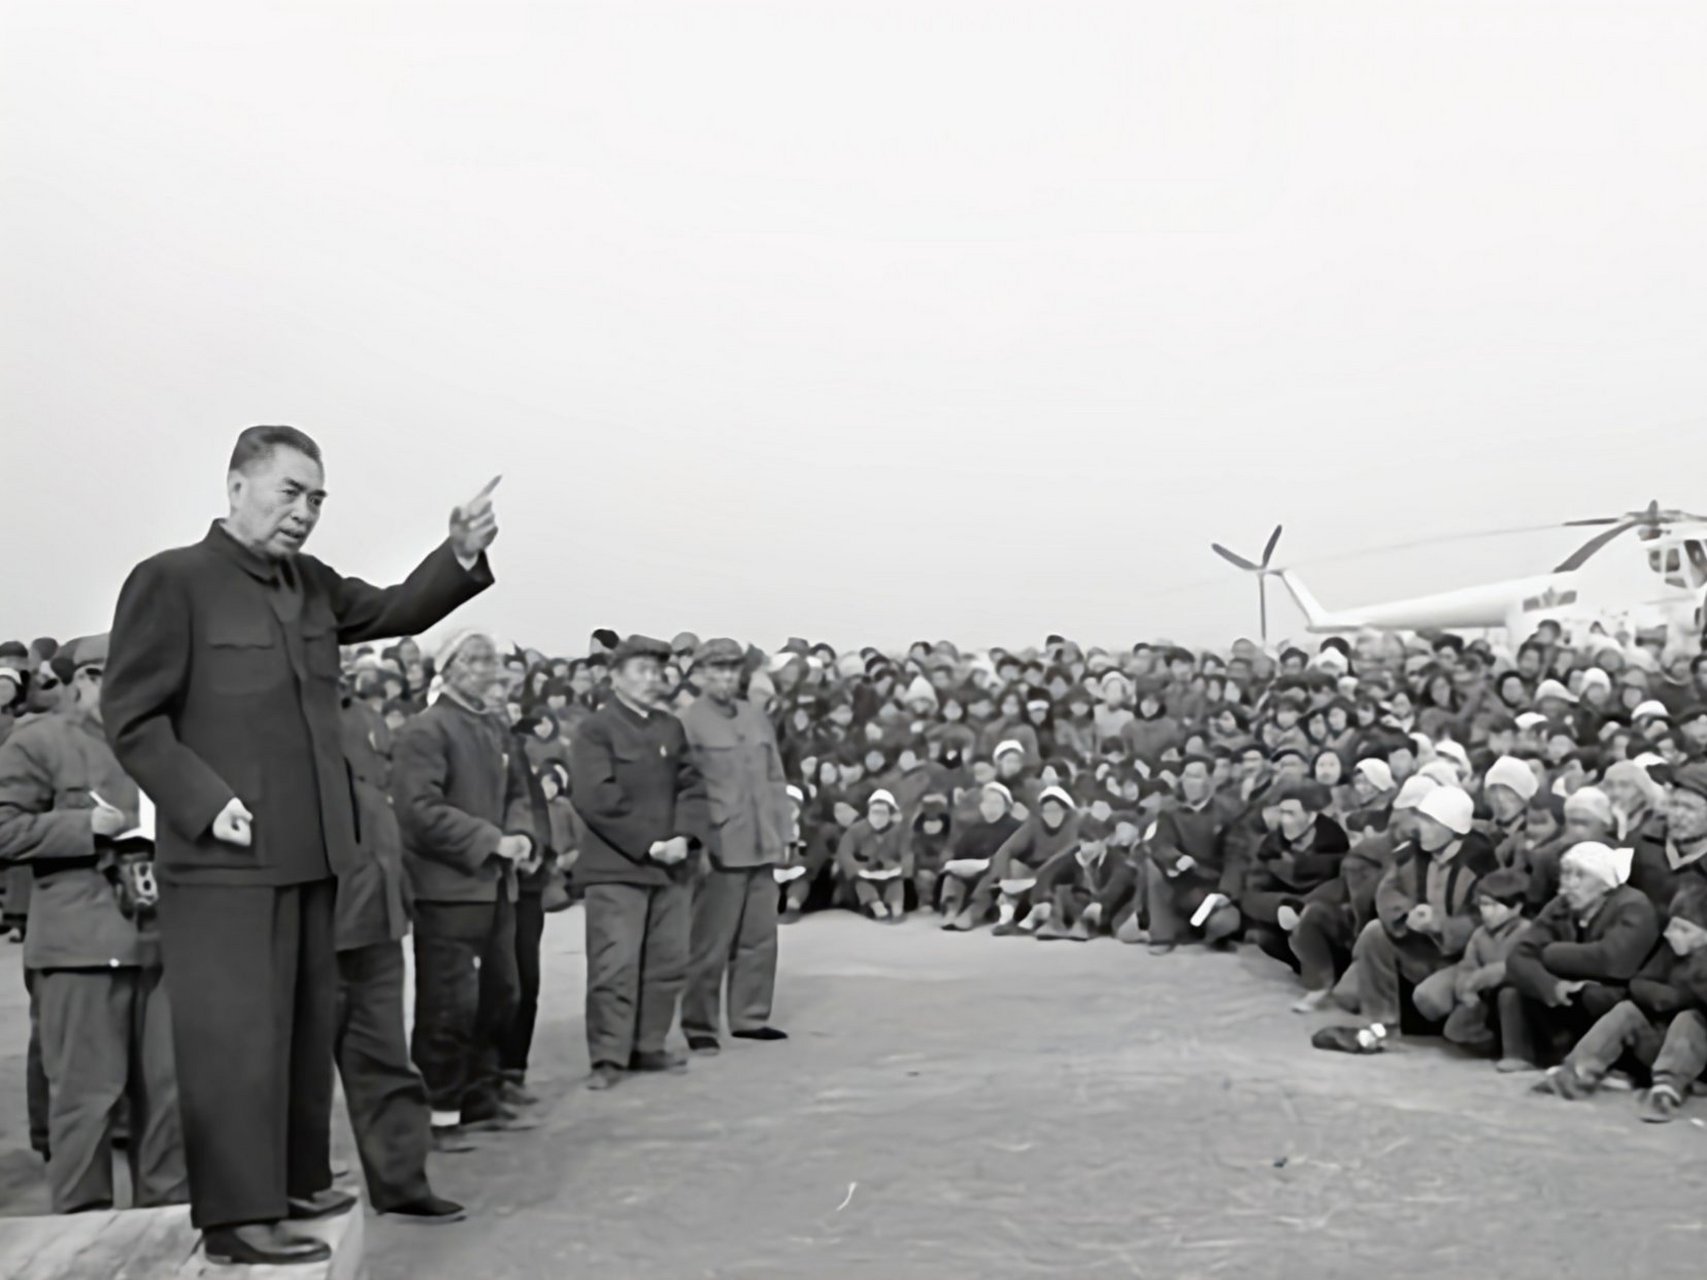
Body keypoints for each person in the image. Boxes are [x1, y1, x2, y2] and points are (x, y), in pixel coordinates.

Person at [102, 426, 497, 1265]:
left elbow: (393, 607)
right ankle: (239, 1218)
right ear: (237, 485)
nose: (305, 513)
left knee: (297, 1034)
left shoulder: (308, 586)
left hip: (312, 856)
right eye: (290, 492)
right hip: (222, 863)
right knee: (234, 1041)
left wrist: (456, 555)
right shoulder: (172, 581)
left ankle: (288, 1183)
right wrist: (204, 803)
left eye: (317, 498)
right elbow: (134, 719)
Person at [0, 634, 187, 1214]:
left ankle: (166, 1226)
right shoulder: (39, 742)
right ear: (87, 678)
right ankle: (80, 1237)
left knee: (168, 1101)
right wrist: (85, 829)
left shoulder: (165, 745)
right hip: (81, 950)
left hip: (163, 945)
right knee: (87, 1101)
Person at [393, 629, 538, 1138]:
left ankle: (480, 1096)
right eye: (474, 659)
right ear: (448, 668)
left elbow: (520, 791)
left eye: (491, 659)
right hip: (449, 888)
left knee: (501, 994)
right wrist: (488, 839)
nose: (487, 668)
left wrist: (519, 834)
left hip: (495, 885)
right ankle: (438, 1108)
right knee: (449, 1004)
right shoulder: (426, 730)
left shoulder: (493, 727)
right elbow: (418, 810)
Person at [332, 674, 466, 1222]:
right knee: (296, 1075)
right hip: (315, 918)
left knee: (385, 1061)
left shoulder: (361, 714)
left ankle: (400, 1182)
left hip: (378, 915)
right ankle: (301, 1187)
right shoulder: (264, 706)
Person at [569, 635, 709, 1090]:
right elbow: (596, 797)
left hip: (672, 867)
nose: (653, 680)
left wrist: (685, 838)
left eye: (657, 671)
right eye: (642, 671)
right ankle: (608, 1057)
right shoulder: (596, 729)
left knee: (666, 962)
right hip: (618, 868)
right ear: (615, 678)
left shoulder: (670, 727)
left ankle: (648, 1045)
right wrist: (651, 844)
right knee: (615, 965)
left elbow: (692, 786)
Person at [1314, 787, 1496, 1055]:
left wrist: (1441, 924)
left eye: (1431, 822)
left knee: (1430, 1000)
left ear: (1454, 828)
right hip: (1416, 946)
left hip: (1459, 958)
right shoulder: (1409, 854)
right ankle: (1383, 1023)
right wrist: (1406, 914)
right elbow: (1387, 892)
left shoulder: (1480, 864)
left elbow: (1485, 917)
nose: (1421, 827)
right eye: (1421, 819)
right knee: (1373, 935)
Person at [678, 637, 793, 1055]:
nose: (726, 677)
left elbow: (775, 777)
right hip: (722, 845)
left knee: (760, 938)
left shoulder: (755, 716)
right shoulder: (689, 721)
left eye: (732, 669)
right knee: (709, 940)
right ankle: (699, 1023)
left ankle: (750, 1017)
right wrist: (698, 844)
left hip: (762, 841)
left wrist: (784, 832)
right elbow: (686, 790)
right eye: (717, 669)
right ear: (701, 674)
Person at [1532, 881, 1707, 1118]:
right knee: (1627, 1011)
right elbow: (1638, 984)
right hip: (1662, 1041)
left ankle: (1666, 1092)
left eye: (1683, 930)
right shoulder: (1668, 952)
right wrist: (1670, 998)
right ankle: (1577, 1073)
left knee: (1690, 1019)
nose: (1670, 934)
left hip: (1695, 1052)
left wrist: (1682, 998)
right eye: (1672, 926)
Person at [1504, 841, 1659, 1073]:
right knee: (1513, 990)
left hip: (1620, 989)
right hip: (1571, 987)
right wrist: (1553, 986)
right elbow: (1518, 956)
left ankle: (1618, 1067)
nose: (1569, 884)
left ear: (1604, 884)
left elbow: (1613, 961)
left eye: (1580, 876)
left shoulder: (1633, 905)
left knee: (1597, 997)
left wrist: (1549, 953)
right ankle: (1531, 1056)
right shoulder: (1561, 904)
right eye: (1566, 874)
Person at [1407, 866, 1530, 1056]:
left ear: (1516, 907)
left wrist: (1477, 980)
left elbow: (1519, 966)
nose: (1487, 912)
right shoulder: (1480, 934)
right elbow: (1468, 965)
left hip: (1513, 994)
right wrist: (1465, 989)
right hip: (1483, 996)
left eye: (1494, 905)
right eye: (1483, 904)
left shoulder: (1526, 931)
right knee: (1454, 1030)